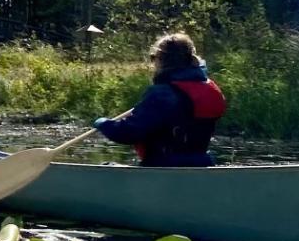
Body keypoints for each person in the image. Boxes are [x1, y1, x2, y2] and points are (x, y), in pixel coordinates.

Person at [93, 32, 226, 166]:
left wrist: (103, 124)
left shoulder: (162, 94)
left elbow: (129, 132)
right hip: (202, 165)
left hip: (162, 167)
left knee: (107, 166)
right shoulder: (211, 89)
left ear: (162, 60)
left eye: (153, 58)